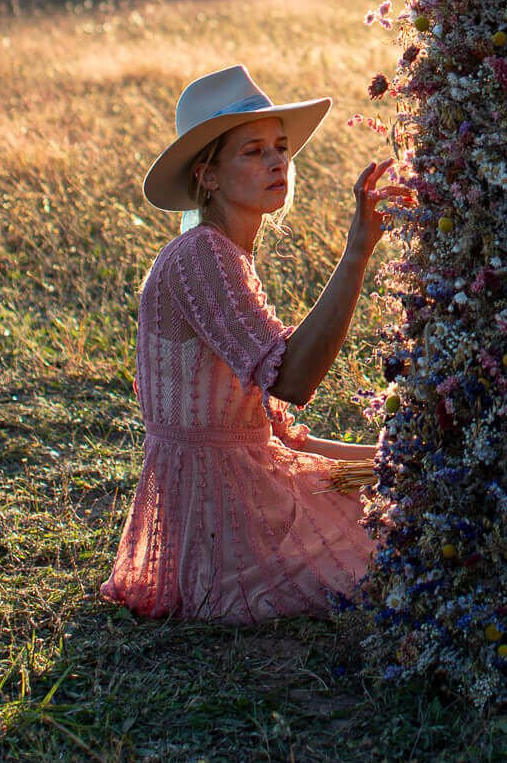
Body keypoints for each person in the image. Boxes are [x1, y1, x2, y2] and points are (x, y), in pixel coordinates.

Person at [102, 63, 407, 624]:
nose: (276, 162)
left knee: (407, 498)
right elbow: (293, 381)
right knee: (402, 554)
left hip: (238, 482)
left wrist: (390, 462)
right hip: (223, 511)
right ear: (208, 177)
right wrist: (357, 251)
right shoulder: (200, 257)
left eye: (281, 148)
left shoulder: (223, 254)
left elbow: (274, 433)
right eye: (253, 151)